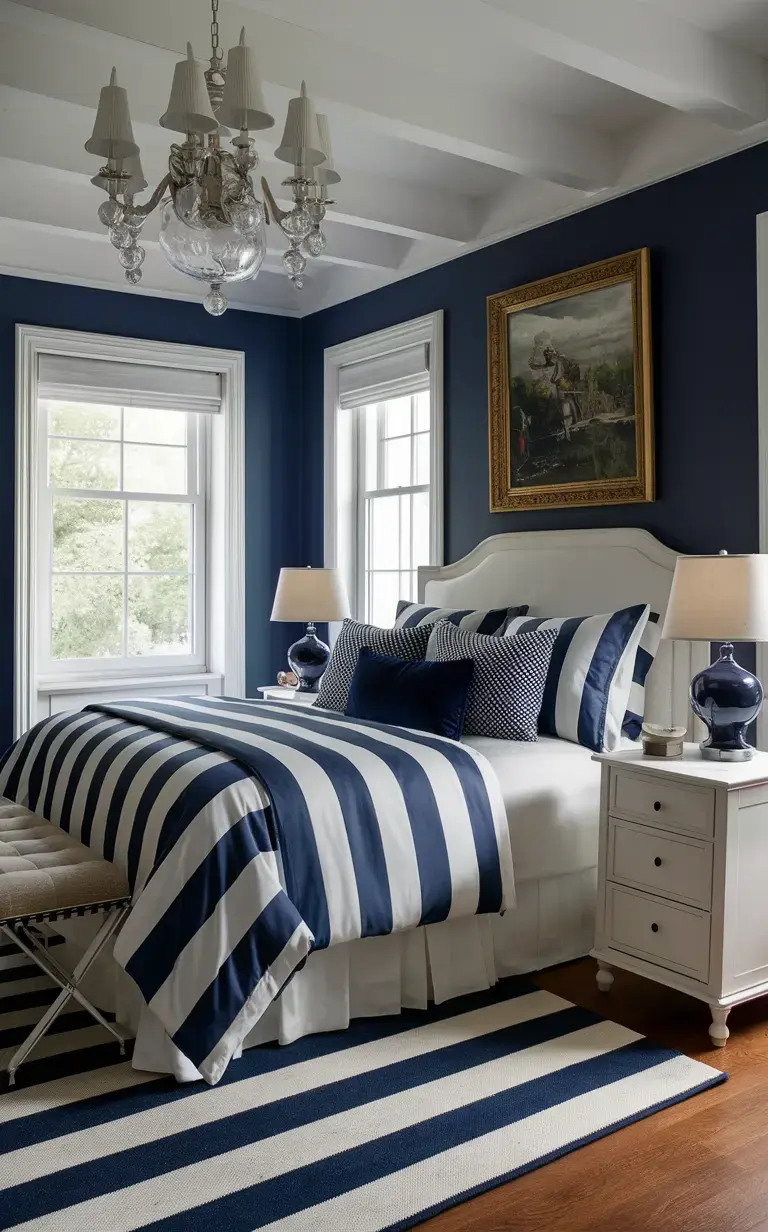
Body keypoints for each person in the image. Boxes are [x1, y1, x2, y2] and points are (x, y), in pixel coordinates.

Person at [528, 332, 582, 440]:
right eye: (546, 355)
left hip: (562, 385)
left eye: (548, 355)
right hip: (556, 388)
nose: (547, 357)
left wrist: (560, 381)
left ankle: (576, 421)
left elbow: (560, 372)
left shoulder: (557, 361)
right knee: (553, 404)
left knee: (569, 400)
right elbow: (541, 367)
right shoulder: (551, 362)